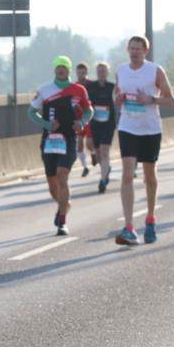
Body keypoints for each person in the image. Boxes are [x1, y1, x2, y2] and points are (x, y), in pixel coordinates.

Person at [113, 36, 174, 246]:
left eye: (138, 49)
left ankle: (150, 218)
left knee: (149, 176)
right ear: (127, 49)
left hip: (150, 129)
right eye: (131, 48)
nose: (134, 52)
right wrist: (118, 99)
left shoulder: (155, 70)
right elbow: (116, 94)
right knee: (127, 173)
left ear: (145, 51)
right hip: (127, 126)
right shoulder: (121, 70)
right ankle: (129, 227)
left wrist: (150, 100)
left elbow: (171, 100)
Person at [28, 56, 93, 235]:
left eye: (64, 67)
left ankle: (62, 221)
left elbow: (88, 110)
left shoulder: (78, 90)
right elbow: (31, 112)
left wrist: (83, 122)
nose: (61, 70)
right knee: (52, 183)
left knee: (62, 175)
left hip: (69, 138)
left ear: (69, 70)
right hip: (49, 139)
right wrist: (47, 125)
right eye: (58, 67)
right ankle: (64, 204)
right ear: (54, 70)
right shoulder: (44, 89)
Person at [86, 62, 117, 193]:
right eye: (99, 71)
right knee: (98, 152)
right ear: (96, 73)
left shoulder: (113, 87)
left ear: (107, 73)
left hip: (108, 123)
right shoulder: (90, 87)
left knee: (105, 150)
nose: (101, 73)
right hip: (95, 123)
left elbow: (119, 102)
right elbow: (85, 102)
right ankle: (106, 169)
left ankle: (103, 180)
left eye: (104, 71)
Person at [74, 62, 94, 176]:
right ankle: (85, 167)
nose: (81, 74)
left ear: (86, 72)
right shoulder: (74, 86)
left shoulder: (91, 85)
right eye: (79, 72)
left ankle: (94, 154)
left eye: (83, 72)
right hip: (78, 118)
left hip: (89, 118)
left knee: (89, 144)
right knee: (80, 143)